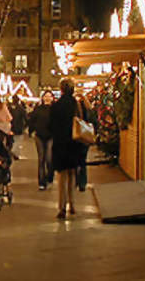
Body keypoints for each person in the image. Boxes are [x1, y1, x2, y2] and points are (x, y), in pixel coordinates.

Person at [49, 77, 80, 219]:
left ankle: (61, 206)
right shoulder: (76, 105)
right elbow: (82, 121)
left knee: (61, 177)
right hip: (74, 143)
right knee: (72, 175)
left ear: (61, 89)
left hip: (60, 144)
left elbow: (51, 126)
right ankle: (72, 204)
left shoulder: (55, 106)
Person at [29, 91, 55, 190]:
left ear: (52, 98)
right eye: (46, 96)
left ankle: (50, 175)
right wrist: (31, 130)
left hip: (51, 136)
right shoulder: (38, 109)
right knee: (41, 159)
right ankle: (41, 182)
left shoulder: (54, 109)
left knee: (49, 158)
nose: (47, 98)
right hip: (39, 135)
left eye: (49, 96)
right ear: (42, 98)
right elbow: (32, 120)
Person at [75, 93, 98, 192]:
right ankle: (82, 183)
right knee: (82, 161)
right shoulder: (89, 110)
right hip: (86, 138)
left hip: (76, 137)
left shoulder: (74, 111)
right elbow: (94, 122)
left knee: (75, 160)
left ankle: (76, 181)